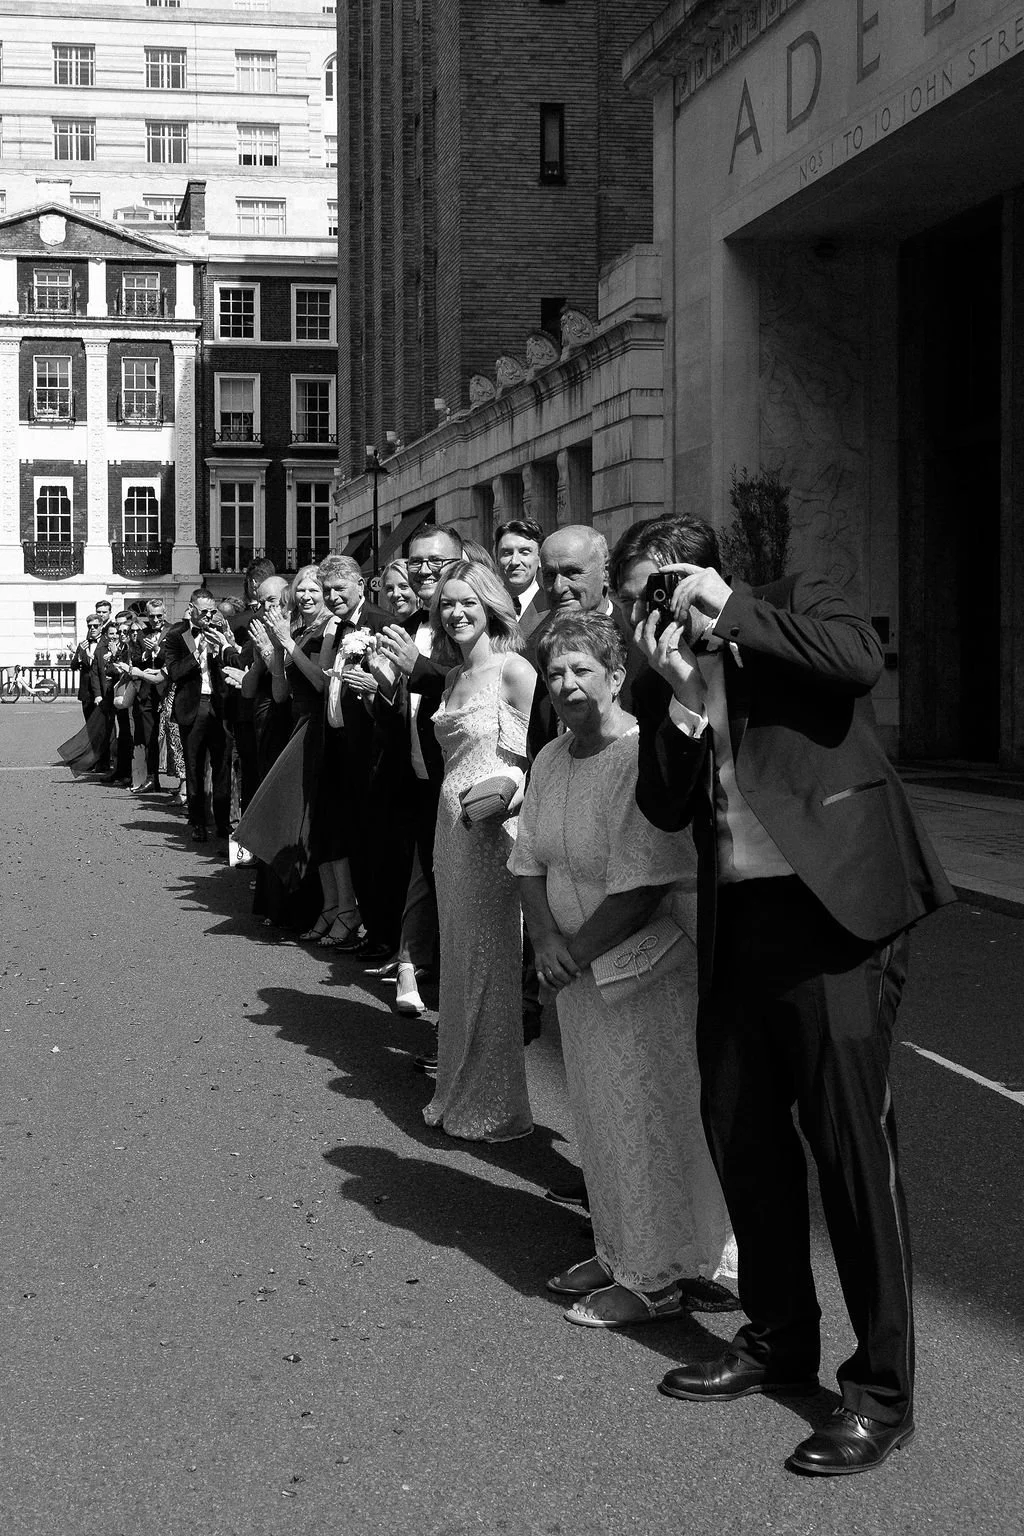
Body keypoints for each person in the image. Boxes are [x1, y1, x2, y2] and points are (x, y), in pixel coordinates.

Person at [630, 515, 956, 1476]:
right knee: (743, 1131)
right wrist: (686, 703)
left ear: (711, 567)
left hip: (837, 916)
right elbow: (660, 803)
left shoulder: (792, 602)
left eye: (672, 581)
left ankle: (882, 1394)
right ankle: (777, 1337)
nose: (664, 604)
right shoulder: (669, 670)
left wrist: (728, 612)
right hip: (742, 921)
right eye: (647, 590)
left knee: (852, 1149)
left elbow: (857, 664)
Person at [512, 611, 735, 1325]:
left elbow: (641, 888)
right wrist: (544, 942)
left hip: (639, 975)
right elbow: (527, 861)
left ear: (616, 677)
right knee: (599, 1121)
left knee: (649, 1118)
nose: (567, 683)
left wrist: (569, 956)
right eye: (555, 672)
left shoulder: (641, 756)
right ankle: (620, 1249)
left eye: (582, 669)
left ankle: (657, 1279)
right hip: (572, 976)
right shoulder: (548, 758)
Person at [421, 559, 537, 1142]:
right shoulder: (452, 674)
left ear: (490, 604)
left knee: (490, 966)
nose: (456, 612)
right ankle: (457, 1087)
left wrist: (501, 801)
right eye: (446, 604)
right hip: (449, 834)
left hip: (492, 835)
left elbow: (531, 764)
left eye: (467, 601)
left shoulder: (514, 671)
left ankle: (495, 1104)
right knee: (459, 963)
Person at [368, 523, 464, 1021]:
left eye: (437, 561)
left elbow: (478, 681)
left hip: (467, 785)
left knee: (460, 909)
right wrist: (382, 685)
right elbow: (402, 706)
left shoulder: (471, 617)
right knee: (430, 886)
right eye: (416, 562)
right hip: (418, 778)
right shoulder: (411, 627)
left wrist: (416, 669)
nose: (424, 570)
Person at [315, 554, 391, 955]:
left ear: (360, 586)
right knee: (348, 835)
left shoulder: (378, 622)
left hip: (369, 747)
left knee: (367, 840)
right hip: (340, 742)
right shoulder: (335, 627)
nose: (332, 597)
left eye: (339, 589)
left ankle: (378, 932)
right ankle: (365, 923)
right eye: (327, 590)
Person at [162, 589, 237, 842]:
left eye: (211, 611)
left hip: (219, 706)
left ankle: (223, 823)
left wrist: (222, 646)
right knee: (194, 768)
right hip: (192, 707)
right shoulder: (175, 635)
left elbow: (232, 665)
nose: (207, 616)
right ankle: (197, 822)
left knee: (222, 767)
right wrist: (198, 653)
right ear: (191, 608)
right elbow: (173, 672)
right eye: (203, 611)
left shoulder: (220, 632)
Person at [494, 517, 548, 640]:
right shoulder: (486, 607)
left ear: (540, 559)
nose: (514, 561)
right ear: (496, 559)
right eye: (507, 553)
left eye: (524, 552)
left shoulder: (552, 608)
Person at [70, 615, 103, 722]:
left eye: (95, 625)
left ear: (101, 626)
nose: (92, 628)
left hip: (102, 691)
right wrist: (79, 653)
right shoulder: (83, 644)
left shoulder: (105, 643)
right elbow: (73, 666)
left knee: (103, 724)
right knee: (89, 724)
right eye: (90, 626)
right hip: (86, 692)